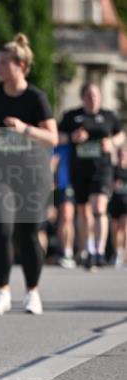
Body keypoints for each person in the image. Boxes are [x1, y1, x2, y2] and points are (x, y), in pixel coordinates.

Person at [0, 33, 58, 316]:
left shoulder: (35, 97)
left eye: (3, 63)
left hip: (32, 173)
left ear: (20, 65)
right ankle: (3, 292)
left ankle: (32, 292)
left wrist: (24, 129)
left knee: (28, 234)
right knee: (1, 230)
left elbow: (52, 137)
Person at [58, 83, 125, 270]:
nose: (92, 98)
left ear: (100, 97)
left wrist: (111, 142)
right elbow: (57, 136)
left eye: (95, 95)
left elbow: (120, 136)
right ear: (83, 97)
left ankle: (99, 251)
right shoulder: (72, 116)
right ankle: (86, 250)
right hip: (79, 169)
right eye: (88, 95)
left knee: (99, 208)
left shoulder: (108, 116)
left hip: (102, 169)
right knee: (83, 210)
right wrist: (72, 137)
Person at [52, 142, 76, 268]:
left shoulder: (71, 145)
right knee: (55, 219)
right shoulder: (47, 145)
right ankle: (60, 251)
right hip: (48, 185)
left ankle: (67, 251)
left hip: (67, 184)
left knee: (67, 216)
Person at [108, 146, 127, 268]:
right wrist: (113, 185)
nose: (122, 156)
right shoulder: (113, 169)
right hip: (115, 202)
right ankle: (117, 252)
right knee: (115, 229)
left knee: (124, 228)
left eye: (124, 154)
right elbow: (107, 183)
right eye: (120, 154)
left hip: (126, 203)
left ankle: (124, 254)